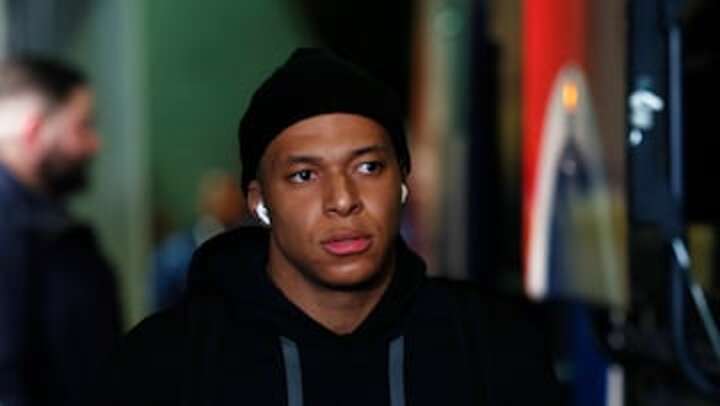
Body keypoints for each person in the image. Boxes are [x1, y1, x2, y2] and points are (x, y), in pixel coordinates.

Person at [104, 48, 563, 405]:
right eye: (304, 175)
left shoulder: (490, 345)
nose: (342, 200)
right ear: (260, 201)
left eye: (368, 168)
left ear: (403, 181)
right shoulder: (168, 363)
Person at [0, 56, 122, 405]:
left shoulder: (45, 226)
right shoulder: (11, 229)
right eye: (82, 126)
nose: (94, 144)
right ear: (34, 130)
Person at [151, 170, 248, 310]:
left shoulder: (248, 249)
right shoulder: (174, 254)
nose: (235, 204)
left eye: (235, 198)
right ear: (205, 202)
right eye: (226, 199)